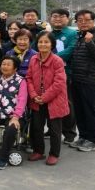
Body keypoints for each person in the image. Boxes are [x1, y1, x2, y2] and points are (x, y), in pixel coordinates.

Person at [26, 31, 69, 165]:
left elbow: (59, 83)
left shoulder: (57, 60)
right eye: (40, 42)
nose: (43, 44)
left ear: (52, 44)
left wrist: (44, 98)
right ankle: (38, 151)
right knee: (37, 127)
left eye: (46, 42)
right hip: (37, 99)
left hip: (54, 100)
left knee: (55, 129)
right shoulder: (33, 59)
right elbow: (29, 78)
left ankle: (54, 154)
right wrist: (34, 95)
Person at [70, 10, 95, 152]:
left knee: (90, 111)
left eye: (87, 20)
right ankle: (83, 137)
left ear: (93, 21)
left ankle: (93, 140)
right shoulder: (80, 37)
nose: (83, 23)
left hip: (91, 81)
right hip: (77, 79)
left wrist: (89, 42)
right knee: (79, 111)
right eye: (80, 20)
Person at [49, 8, 78, 144]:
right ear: (50, 18)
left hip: (66, 74)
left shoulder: (72, 34)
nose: (58, 19)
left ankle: (69, 132)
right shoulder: (48, 34)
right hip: (48, 75)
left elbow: (70, 50)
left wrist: (49, 59)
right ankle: (52, 129)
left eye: (61, 16)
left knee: (67, 103)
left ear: (67, 18)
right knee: (49, 102)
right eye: (55, 16)